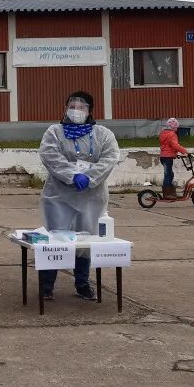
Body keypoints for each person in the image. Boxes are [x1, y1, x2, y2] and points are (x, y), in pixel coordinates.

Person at [37, 91, 120, 301]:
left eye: (82, 107)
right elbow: (49, 155)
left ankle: (82, 283)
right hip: (59, 196)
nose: (76, 110)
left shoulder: (103, 134)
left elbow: (110, 158)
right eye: (72, 106)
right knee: (55, 239)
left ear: (90, 111)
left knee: (86, 241)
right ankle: (47, 286)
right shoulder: (54, 132)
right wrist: (72, 175)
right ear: (65, 108)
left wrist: (89, 177)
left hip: (91, 197)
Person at [159, 117, 190, 198]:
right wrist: (185, 151)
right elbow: (175, 145)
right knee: (168, 175)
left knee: (170, 174)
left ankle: (171, 192)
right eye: (176, 127)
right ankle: (167, 194)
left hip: (163, 157)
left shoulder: (163, 133)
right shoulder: (172, 134)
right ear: (174, 127)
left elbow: (167, 146)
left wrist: (175, 154)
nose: (177, 129)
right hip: (168, 158)